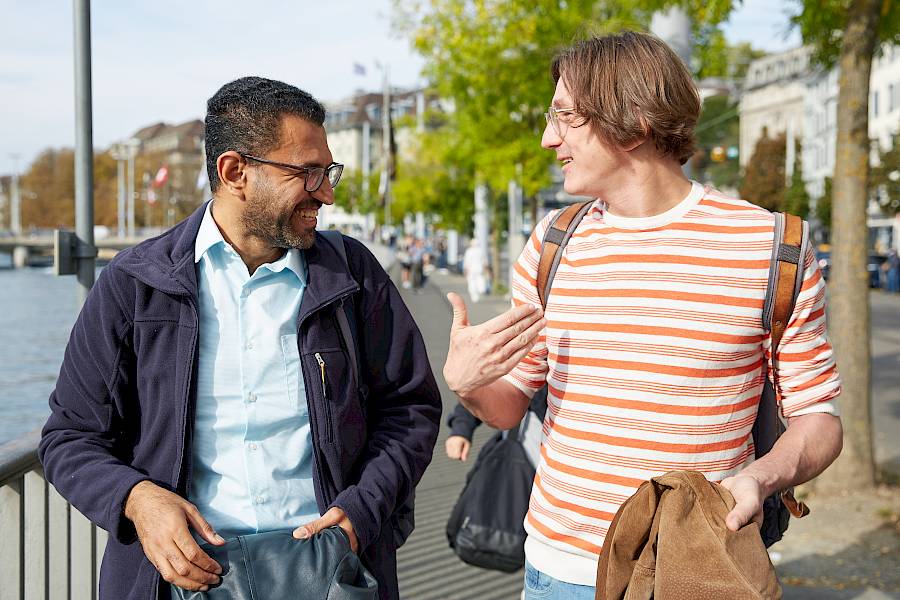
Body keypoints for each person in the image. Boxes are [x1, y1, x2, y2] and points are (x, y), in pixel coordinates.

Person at [443, 32, 843, 599]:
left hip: (696, 568)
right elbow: (510, 407)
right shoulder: (554, 243)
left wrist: (759, 478)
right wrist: (467, 384)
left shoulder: (773, 246)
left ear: (632, 119)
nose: (547, 137)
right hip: (559, 570)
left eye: (563, 116)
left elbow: (820, 420)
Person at [39, 76, 441, 600]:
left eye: (329, 171)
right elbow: (69, 437)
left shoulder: (353, 275)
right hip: (180, 581)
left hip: (330, 575)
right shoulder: (133, 284)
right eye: (309, 173)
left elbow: (410, 409)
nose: (327, 193)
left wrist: (361, 514)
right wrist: (137, 500)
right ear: (235, 172)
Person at [462, 237, 489, 303]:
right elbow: (485, 262)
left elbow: (466, 262)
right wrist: (486, 270)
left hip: (471, 269)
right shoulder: (481, 251)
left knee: (472, 282)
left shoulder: (469, 251)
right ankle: (481, 289)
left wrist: (465, 271)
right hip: (479, 269)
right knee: (480, 279)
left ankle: (475, 297)